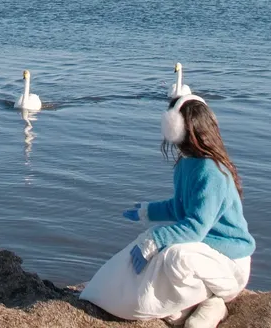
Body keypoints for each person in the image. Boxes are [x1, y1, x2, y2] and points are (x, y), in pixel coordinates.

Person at [80, 65, 255, 327]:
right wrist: (147, 212)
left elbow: (195, 227)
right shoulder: (186, 165)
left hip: (230, 264)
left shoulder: (213, 173)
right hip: (205, 253)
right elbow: (180, 208)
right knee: (148, 252)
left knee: (175, 255)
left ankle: (216, 299)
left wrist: (155, 239)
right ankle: (192, 304)